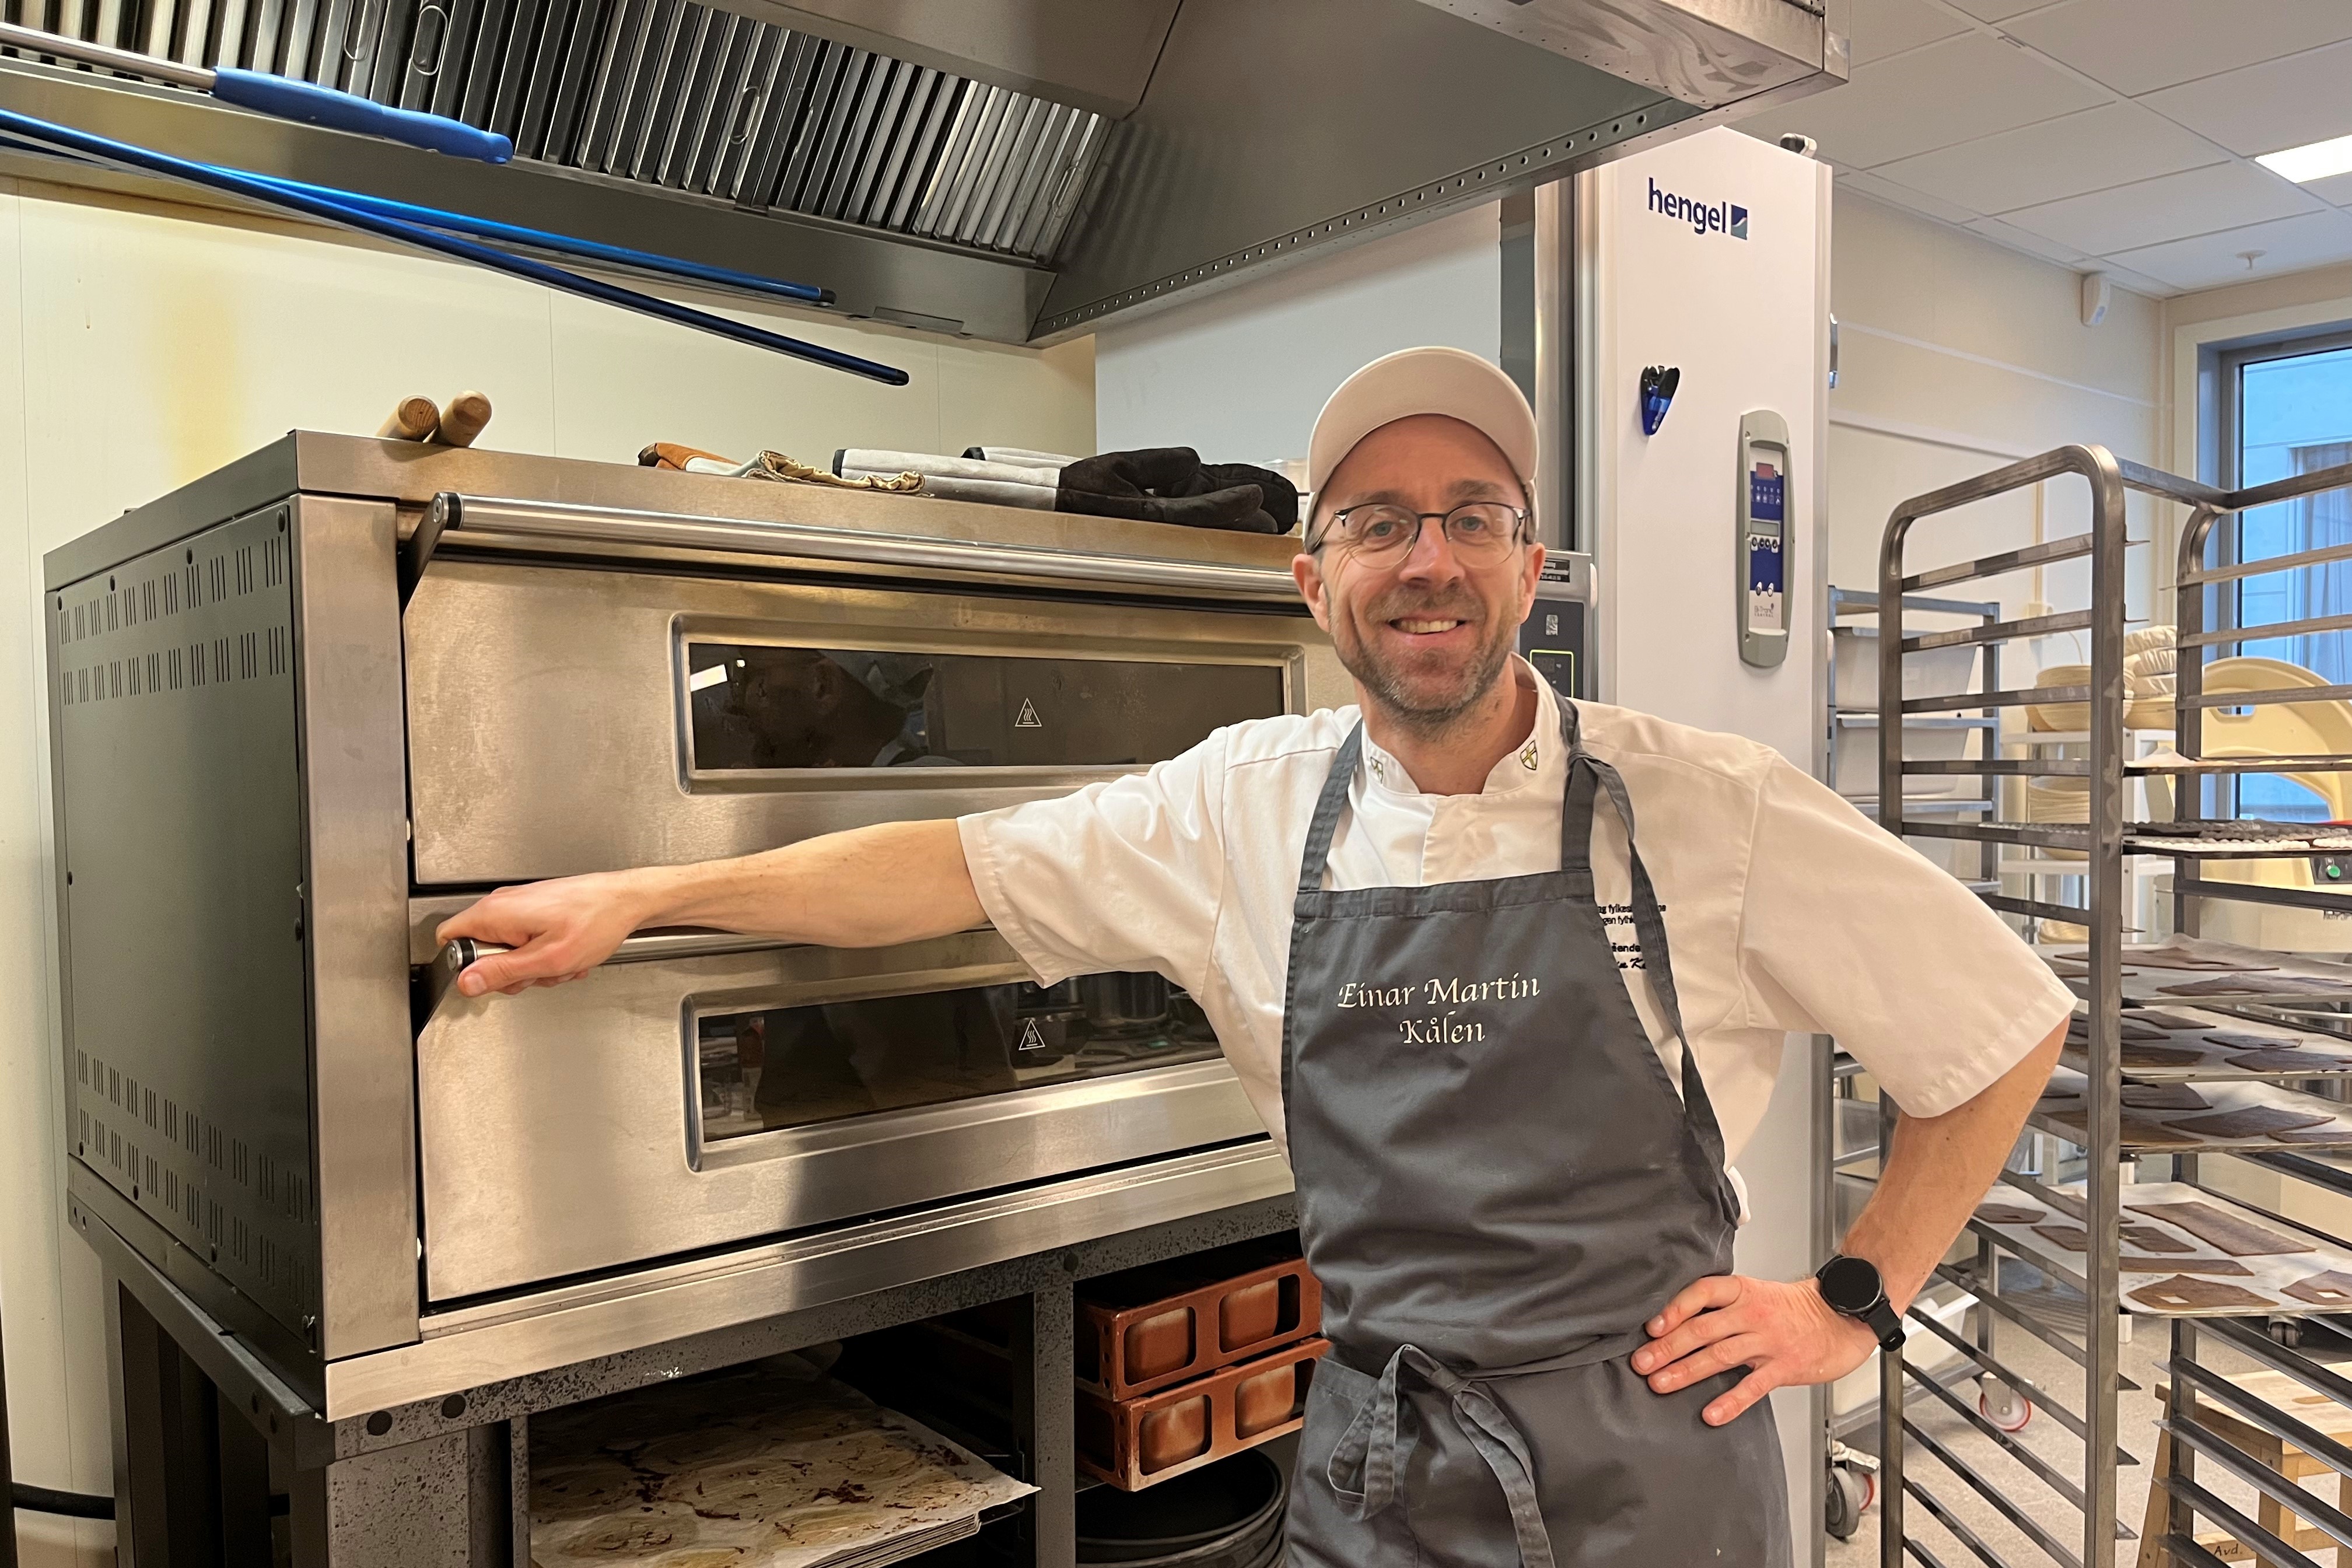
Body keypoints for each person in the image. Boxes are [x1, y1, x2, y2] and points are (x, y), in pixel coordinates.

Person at [440, 346, 2068, 1564]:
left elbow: (1995, 1029)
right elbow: (947, 868)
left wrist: (1854, 1301)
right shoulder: (1239, 803)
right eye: (1376, 523)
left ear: (1530, 567)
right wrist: (647, 898)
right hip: (1377, 1469)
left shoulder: (1706, 804)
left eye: (1473, 517)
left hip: (1654, 1477)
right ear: (1314, 582)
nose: (1427, 558)